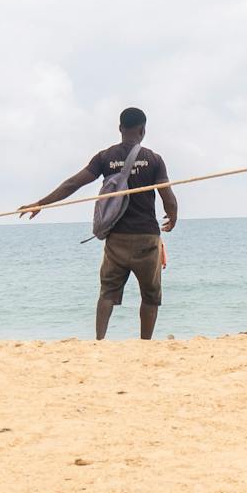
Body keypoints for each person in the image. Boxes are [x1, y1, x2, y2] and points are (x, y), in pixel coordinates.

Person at [21, 107, 178, 340]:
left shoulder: (105, 157)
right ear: (143, 130)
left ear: (120, 128)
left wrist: (41, 203)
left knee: (107, 294)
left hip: (117, 240)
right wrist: (172, 215)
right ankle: (145, 343)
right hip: (146, 237)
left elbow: (73, 183)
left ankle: (100, 341)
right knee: (150, 295)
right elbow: (168, 196)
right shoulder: (153, 159)